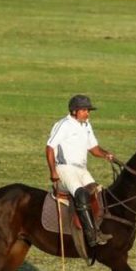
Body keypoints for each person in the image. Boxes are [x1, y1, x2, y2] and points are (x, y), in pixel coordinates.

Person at [46, 95, 117, 246]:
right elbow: (50, 147)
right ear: (74, 111)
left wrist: (106, 154)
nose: (88, 113)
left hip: (82, 169)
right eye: (84, 110)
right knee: (81, 194)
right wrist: (53, 171)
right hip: (65, 168)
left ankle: (97, 228)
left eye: (88, 110)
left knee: (96, 192)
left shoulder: (86, 125)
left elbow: (93, 148)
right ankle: (91, 236)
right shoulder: (64, 125)